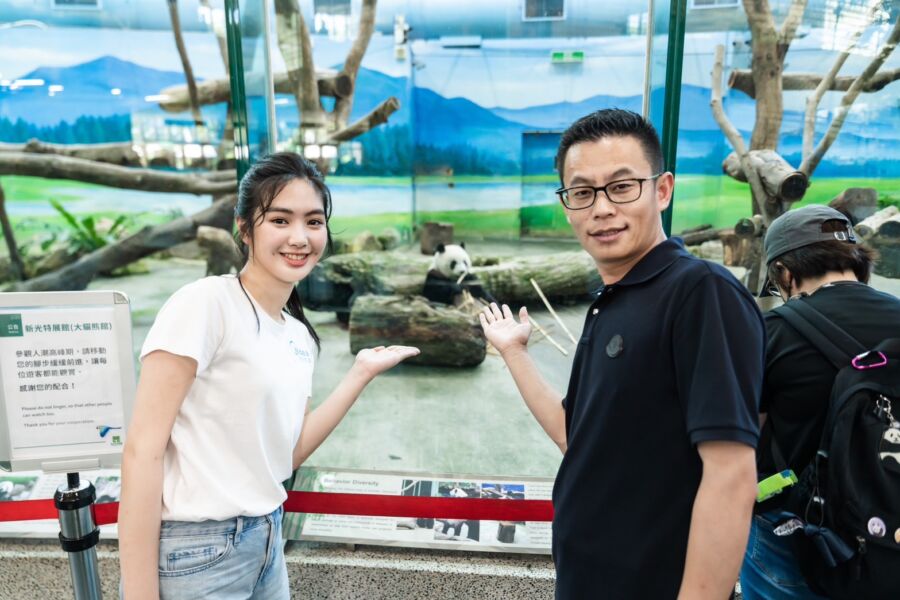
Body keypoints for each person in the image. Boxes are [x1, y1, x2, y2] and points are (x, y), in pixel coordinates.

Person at [480, 109, 764, 599]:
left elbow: (732, 475)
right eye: (583, 192)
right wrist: (514, 353)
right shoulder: (612, 302)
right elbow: (580, 437)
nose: (602, 208)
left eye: (622, 186)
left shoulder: (699, 294)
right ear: (567, 204)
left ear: (662, 189)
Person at [118, 152, 418, 599]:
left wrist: (360, 374)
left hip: (267, 542)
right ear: (244, 228)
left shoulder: (298, 336)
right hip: (197, 550)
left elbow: (285, 459)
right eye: (280, 220)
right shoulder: (204, 304)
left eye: (314, 222)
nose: (300, 238)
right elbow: (143, 452)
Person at [739, 205, 900, 599]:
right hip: (888, 523)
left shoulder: (771, 331)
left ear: (785, 274)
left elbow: (742, 436)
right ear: (858, 263)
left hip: (795, 531)